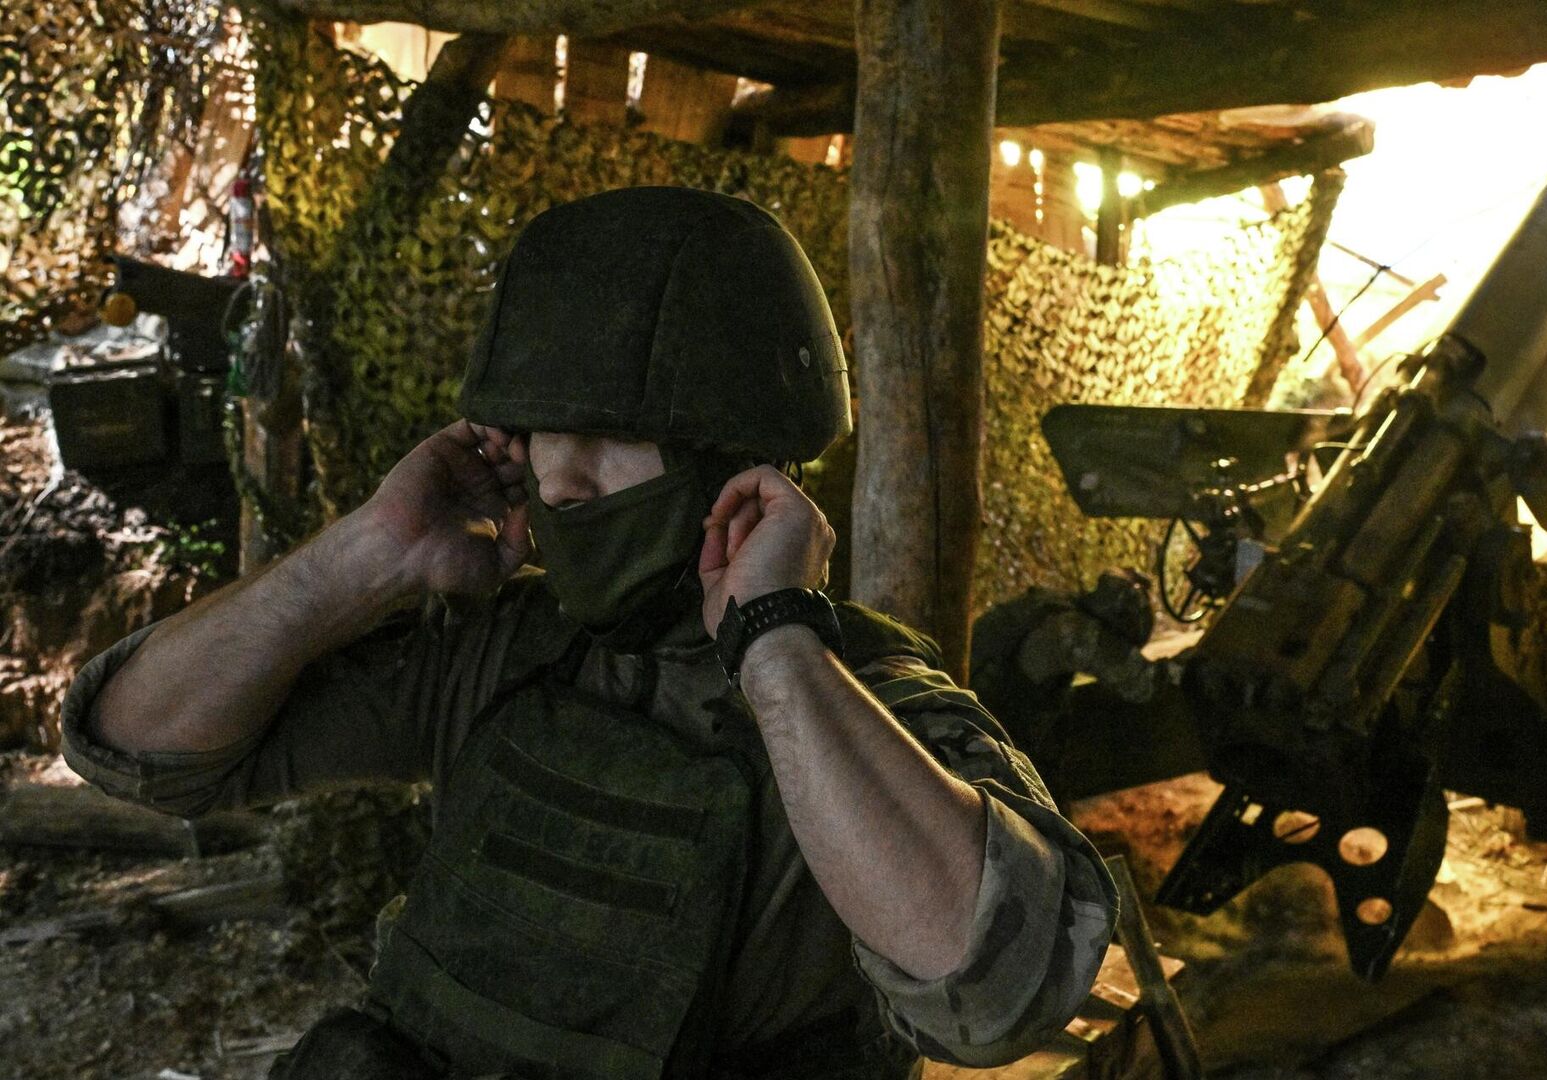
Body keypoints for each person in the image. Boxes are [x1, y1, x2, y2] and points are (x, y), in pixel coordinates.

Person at [59, 187, 1118, 1079]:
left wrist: (777, 644)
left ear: (735, 462)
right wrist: (373, 550)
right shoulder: (508, 650)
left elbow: (1002, 995)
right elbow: (134, 743)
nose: (558, 484)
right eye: (537, 439)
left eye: (608, 440)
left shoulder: (862, 698)